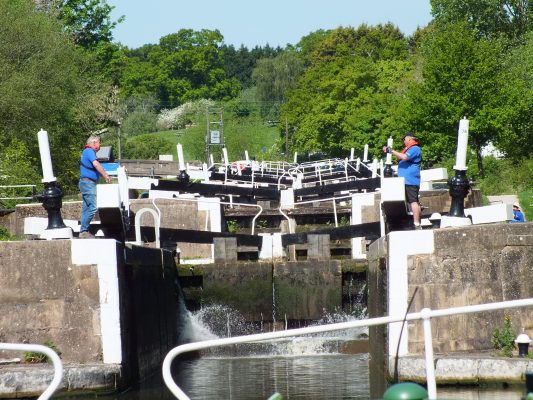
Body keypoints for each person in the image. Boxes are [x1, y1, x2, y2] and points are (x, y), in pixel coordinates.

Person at [383, 133, 422, 229]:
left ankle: (417, 224)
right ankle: (409, 222)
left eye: (404, 139)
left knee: (413, 201)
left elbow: (404, 157)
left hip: (410, 180)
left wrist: (391, 151)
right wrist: (391, 151)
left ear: (409, 139)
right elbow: (399, 156)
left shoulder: (415, 149)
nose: (403, 141)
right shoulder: (409, 149)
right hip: (404, 180)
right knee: (409, 201)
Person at [79, 135, 112, 238]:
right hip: (88, 183)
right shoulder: (89, 151)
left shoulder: (86, 151)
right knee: (93, 207)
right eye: (98, 142)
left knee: (86, 208)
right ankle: (84, 230)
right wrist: (105, 175)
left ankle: (83, 231)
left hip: (85, 183)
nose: (100, 144)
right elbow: (96, 164)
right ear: (93, 143)